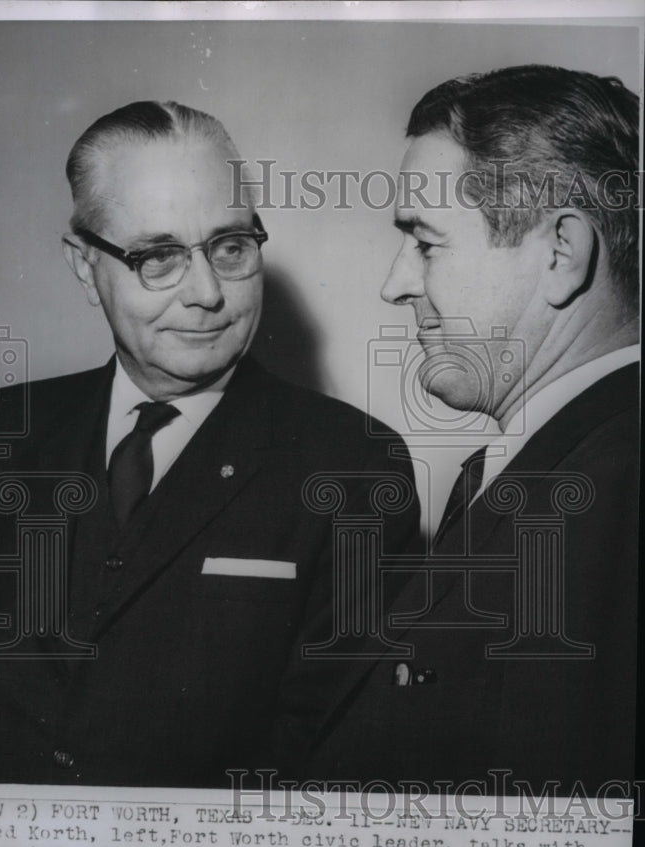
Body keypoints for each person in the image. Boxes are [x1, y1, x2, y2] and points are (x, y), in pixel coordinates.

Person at [0, 101, 420, 788]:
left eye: (230, 248)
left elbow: (328, 747)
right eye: (158, 257)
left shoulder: (352, 464)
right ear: (85, 266)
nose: (207, 293)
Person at [273, 66, 640, 795]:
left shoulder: (616, 486)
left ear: (560, 254)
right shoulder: (538, 469)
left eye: (426, 242)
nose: (395, 282)